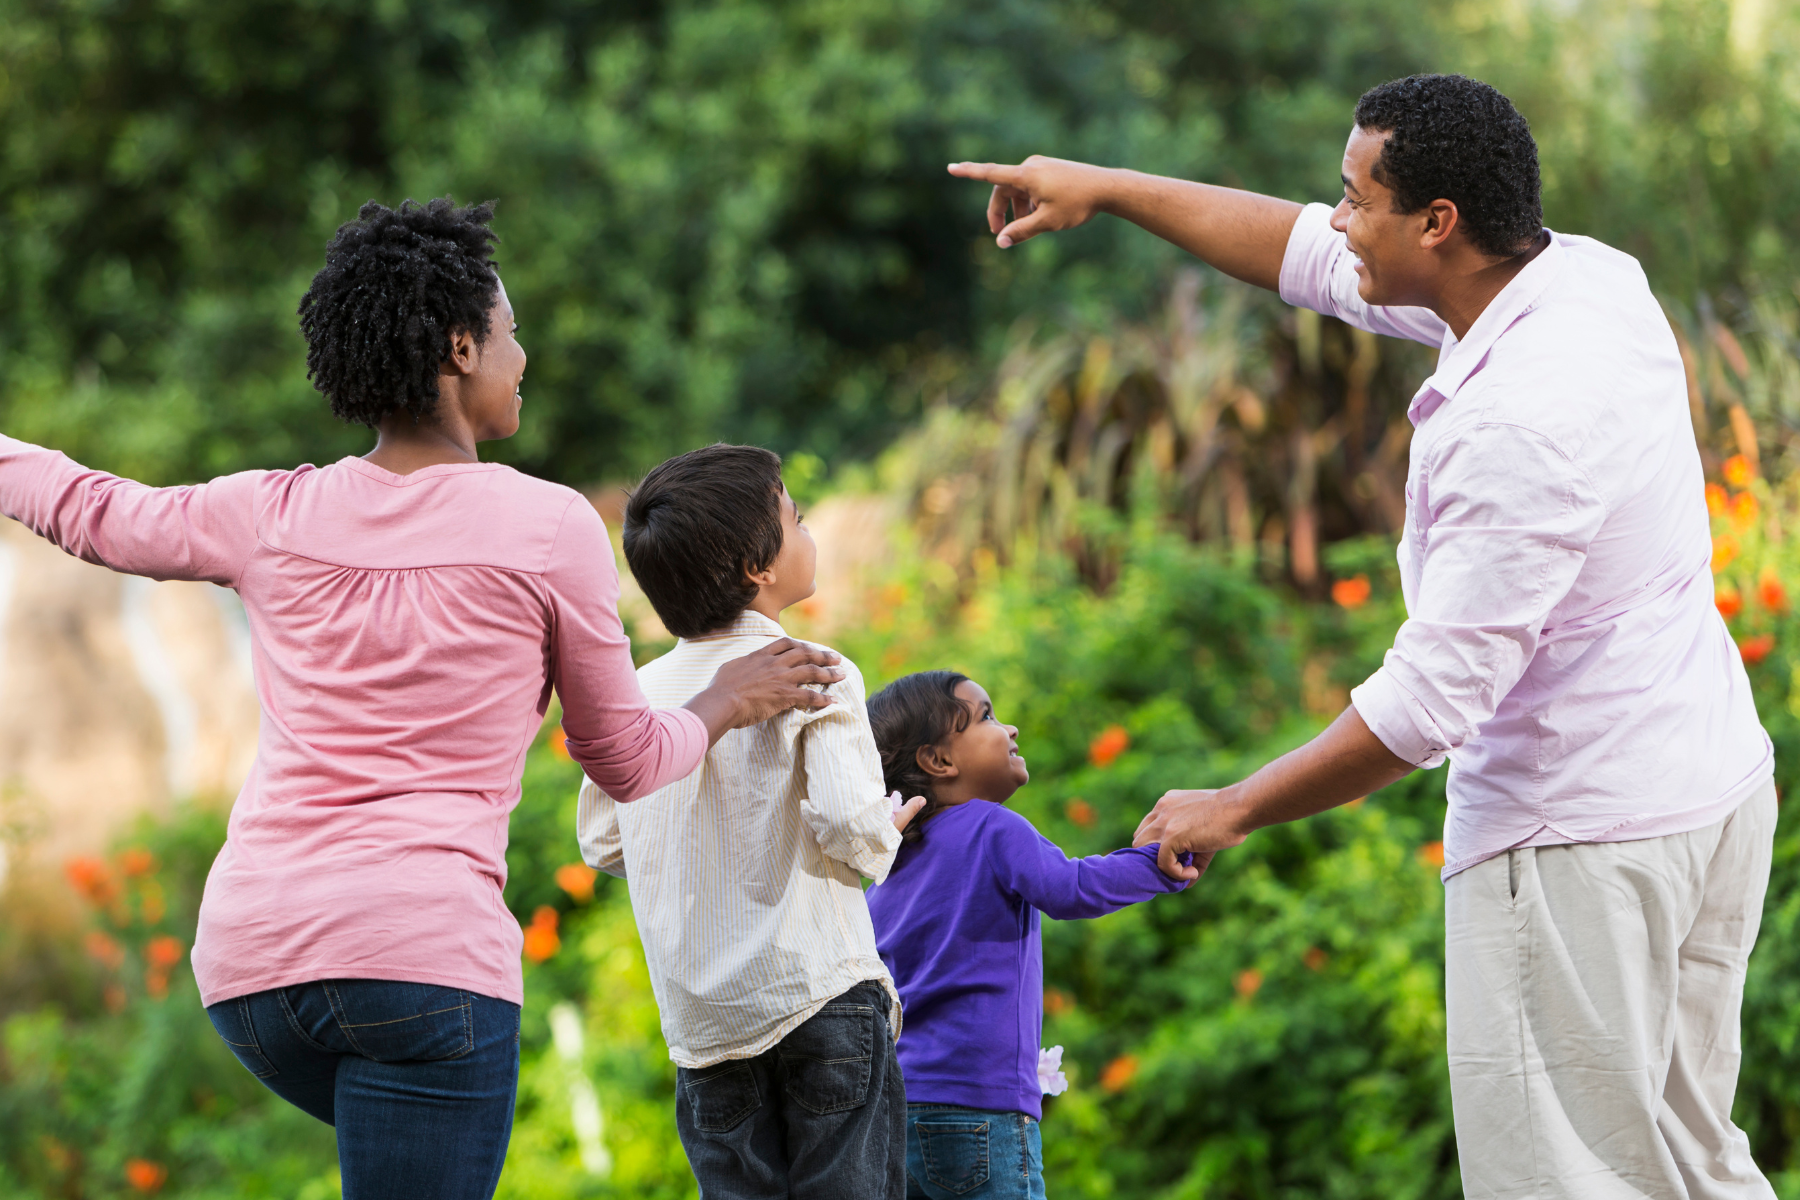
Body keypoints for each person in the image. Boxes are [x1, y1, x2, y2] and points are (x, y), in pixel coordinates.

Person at [952, 73, 1777, 1199]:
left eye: (1356, 197)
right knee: (1686, 1161)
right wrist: (1106, 187)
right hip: (1700, 789)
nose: (1337, 218)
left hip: (1579, 841)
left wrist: (1233, 804)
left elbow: (1426, 707)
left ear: (1437, 223)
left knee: (1571, 1181)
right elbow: (1298, 251)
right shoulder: (1577, 278)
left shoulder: (1524, 420)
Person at [0, 198, 846, 1200]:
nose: (521, 355)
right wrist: (722, 702)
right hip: (422, 971)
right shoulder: (549, 528)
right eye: (511, 331)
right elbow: (619, 757)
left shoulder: (268, 513)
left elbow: (93, 510)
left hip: (253, 974)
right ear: (459, 348)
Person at [576, 443, 927, 1200]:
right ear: (756, 570)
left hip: (705, 1029)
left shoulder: (639, 692)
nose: (809, 534)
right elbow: (852, 832)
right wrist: (888, 825)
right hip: (818, 993)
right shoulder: (817, 667)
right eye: (796, 519)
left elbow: (603, 838)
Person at [863, 670, 1195, 1200]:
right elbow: (1073, 887)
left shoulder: (882, 872)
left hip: (893, 1116)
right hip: (980, 1110)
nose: (1010, 728)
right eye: (987, 716)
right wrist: (1157, 865)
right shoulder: (992, 827)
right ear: (939, 761)